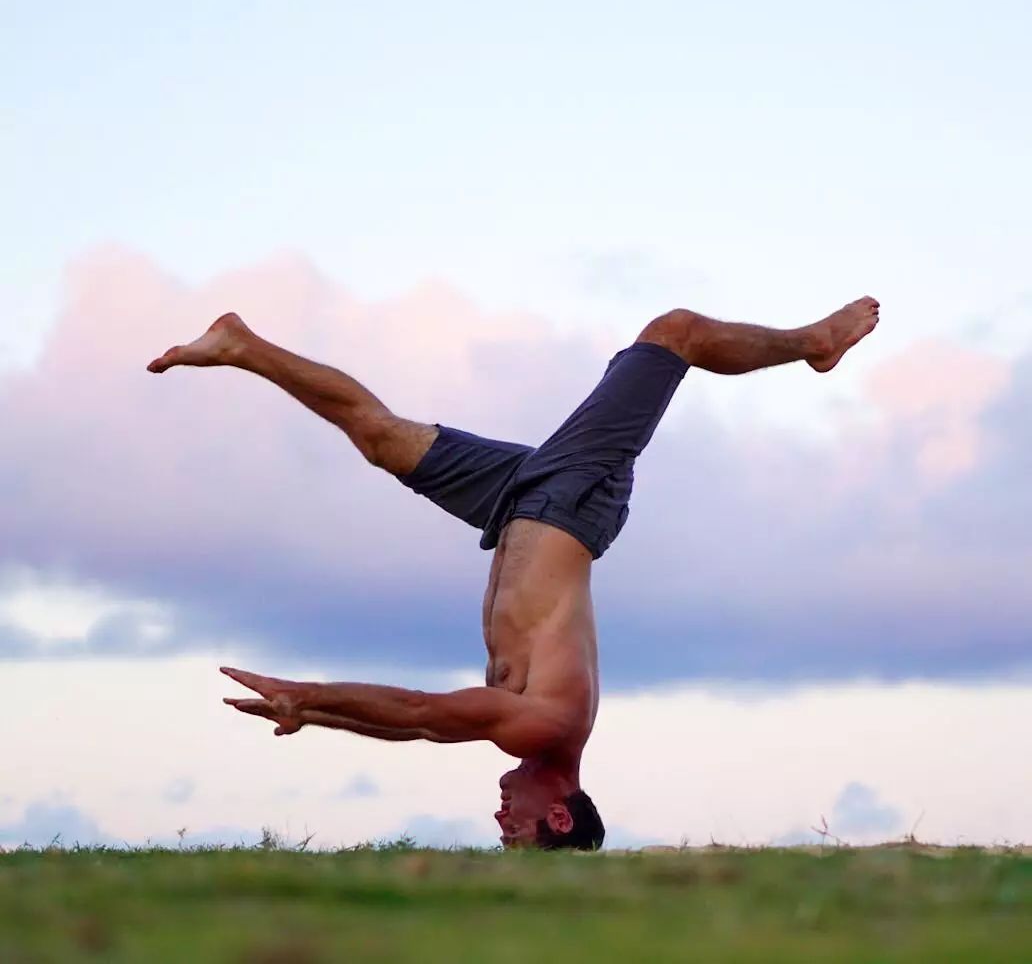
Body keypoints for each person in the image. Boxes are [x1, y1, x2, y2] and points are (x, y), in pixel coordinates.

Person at [147, 296, 879, 849]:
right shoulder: (551, 724)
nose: (500, 820)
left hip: (514, 508)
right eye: (517, 831)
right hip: (571, 501)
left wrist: (314, 711)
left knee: (376, 436)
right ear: (558, 813)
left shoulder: (528, 731)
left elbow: (422, 729)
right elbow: (422, 715)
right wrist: (307, 695)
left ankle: (240, 344)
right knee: (674, 332)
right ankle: (814, 344)